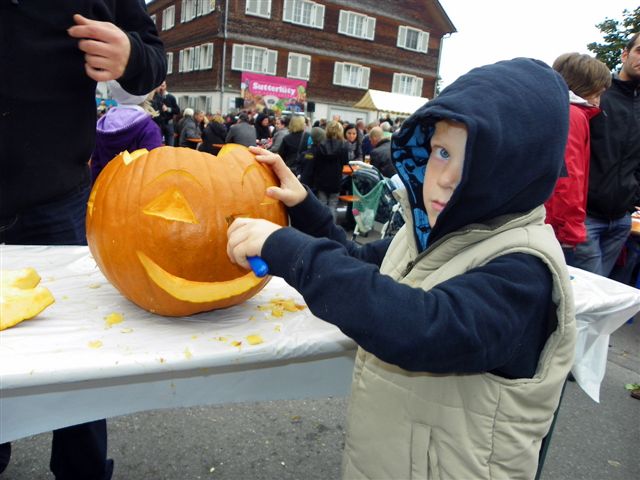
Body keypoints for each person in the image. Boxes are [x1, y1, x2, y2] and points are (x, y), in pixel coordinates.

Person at [226, 58, 575, 479]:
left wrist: (288, 250)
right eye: (442, 152)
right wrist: (303, 205)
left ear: (521, 171)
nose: (444, 178)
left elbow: (421, 327)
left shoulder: (524, 269)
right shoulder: (427, 235)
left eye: (475, 161)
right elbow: (356, 260)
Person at [0, 3, 166, 478]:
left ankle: (83, 469)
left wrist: (130, 54)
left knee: (80, 345)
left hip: (56, 196)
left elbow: (151, 54)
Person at [571, 33, 640, 277]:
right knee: (589, 291)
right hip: (585, 217)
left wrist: (632, 200)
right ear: (625, 54)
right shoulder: (597, 95)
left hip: (621, 219)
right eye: (639, 51)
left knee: (600, 288)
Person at [544, 53, 611, 265]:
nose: (598, 101)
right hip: (556, 229)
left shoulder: (552, 109)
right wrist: (570, 231)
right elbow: (568, 177)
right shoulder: (574, 115)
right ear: (585, 87)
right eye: (598, 93)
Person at [91, 80, 163, 183]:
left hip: (104, 189)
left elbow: (95, 167)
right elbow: (152, 170)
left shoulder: (102, 125)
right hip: (136, 190)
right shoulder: (149, 129)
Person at [312, 121, 349, 221]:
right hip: (336, 178)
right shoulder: (343, 146)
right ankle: (331, 226)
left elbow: (316, 162)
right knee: (333, 205)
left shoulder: (321, 145)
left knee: (322, 203)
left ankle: (320, 225)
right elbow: (345, 162)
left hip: (321, 178)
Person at [151, 80, 181, 146]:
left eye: (163, 86)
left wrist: (168, 109)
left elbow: (177, 110)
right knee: (157, 143)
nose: (161, 88)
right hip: (158, 123)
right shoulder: (154, 97)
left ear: (166, 86)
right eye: (160, 86)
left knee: (170, 144)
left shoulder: (170, 97)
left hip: (168, 123)